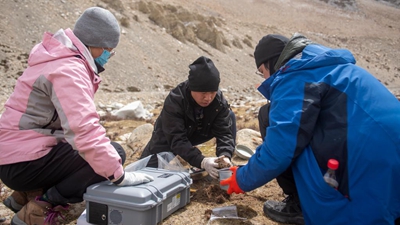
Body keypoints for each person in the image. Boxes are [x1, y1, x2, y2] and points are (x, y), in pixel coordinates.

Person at [221, 33, 400, 225]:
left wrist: (241, 178)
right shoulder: (332, 67)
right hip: (390, 161)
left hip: (366, 173)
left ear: (270, 64)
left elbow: (280, 147)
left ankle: (300, 205)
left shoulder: (293, 75)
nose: (264, 78)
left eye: (261, 71)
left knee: (269, 115)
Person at [0, 7, 154, 225]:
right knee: (114, 154)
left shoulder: (55, 57)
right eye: (109, 49)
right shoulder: (69, 69)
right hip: (23, 164)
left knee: (88, 154)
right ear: (96, 44)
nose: (110, 55)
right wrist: (119, 175)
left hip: (14, 157)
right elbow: (84, 130)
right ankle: (40, 207)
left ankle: (23, 196)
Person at [140, 56, 236, 179]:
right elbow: (177, 138)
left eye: (212, 92)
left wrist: (225, 156)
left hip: (200, 130)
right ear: (192, 88)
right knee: (146, 171)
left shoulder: (218, 101)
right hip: (170, 135)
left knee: (230, 117)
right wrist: (201, 161)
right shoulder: (175, 100)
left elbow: (224, 133)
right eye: (203, 93)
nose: (208, 98)